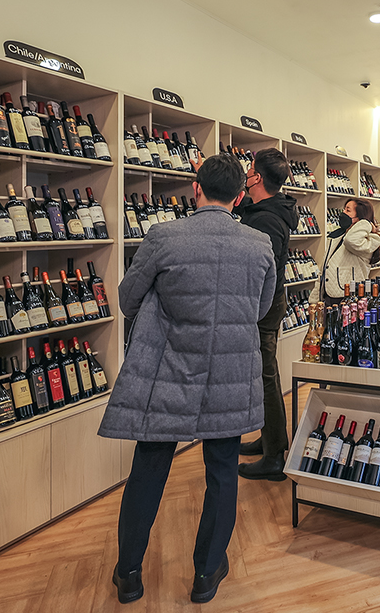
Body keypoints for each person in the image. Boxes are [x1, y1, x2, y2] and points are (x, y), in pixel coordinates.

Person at [99, 153, 276, 606]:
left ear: (195, 188)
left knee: (149, 469)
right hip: (231, 373)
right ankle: (206, 573)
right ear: (240, 196)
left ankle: (129, 574)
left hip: (169, 371)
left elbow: (127, 299)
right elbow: (259, 309)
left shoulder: (164, 236)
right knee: (223, 471)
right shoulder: (258, 244)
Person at [232, 148, 298, 482]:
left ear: (256, 177)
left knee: (266, 377)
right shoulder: (268, 208)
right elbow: (246, 206)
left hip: (263, 303)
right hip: (270, 301)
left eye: (248, 169)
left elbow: (261, 271)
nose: (245, 173)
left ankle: (274, 457)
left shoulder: (268, 220)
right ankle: (271, 438)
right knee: (265, 375)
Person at [323, 198, 380, 299]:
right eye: (344, 209)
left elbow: (350, 240)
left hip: (349, 296)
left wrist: (366, 223)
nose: (343, 212)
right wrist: (315, 298)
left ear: (360, 218)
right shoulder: (337, 236)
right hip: (329, 296)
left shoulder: (368, 240)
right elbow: (324, 268)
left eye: (348, 210)